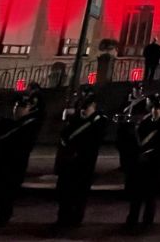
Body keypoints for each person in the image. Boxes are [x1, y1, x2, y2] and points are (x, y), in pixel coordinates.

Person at [0, 95, 40, 226]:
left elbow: (24, 147)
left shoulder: (29, 126)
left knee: (7, 195)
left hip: (13, 165)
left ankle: (2, 218)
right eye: (17, 107)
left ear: (29, 109)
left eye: (22, 107)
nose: (18, 110)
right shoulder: (5, 122)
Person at [55, 95, 107, 226]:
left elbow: (95, 141)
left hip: (85, 163)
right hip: (69, 162)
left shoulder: (98, 122)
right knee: (65, 192)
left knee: (80, 192)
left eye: (87, 107)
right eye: (82, 107)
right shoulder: (75, 119)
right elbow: (64, 135)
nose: (84, 110)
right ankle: (63, 217)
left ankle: (76, 218)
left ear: (93, 107)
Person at [123, 96, 160, 227]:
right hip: (141, 164)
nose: (156, 111)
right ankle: (133, 218)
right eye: (155, 108)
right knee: (137, 194)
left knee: (151, 196)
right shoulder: (144, 122)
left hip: (155, 164)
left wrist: (155, 158)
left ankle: (147, 221)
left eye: (159, 108)